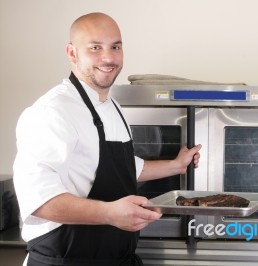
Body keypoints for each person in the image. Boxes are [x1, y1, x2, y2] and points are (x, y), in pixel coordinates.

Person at [13, 12, 201, 266]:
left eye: (115, 47)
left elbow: (122, 167)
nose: (108, 57)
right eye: (95, 48)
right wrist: (110, 213)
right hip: (66, 261)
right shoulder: (52, 111)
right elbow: (38, 200)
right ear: (72, 53)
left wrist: (176, 165)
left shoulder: (113, 107)